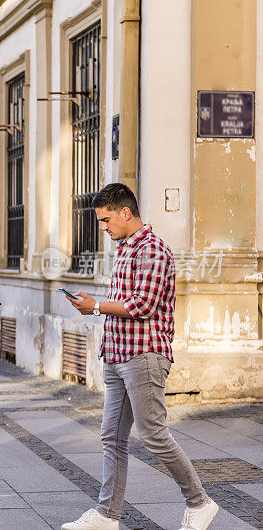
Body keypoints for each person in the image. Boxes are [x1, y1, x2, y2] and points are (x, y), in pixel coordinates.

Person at [62, 183, 218, 530]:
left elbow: (141, 306)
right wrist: (96, 307)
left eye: (105, 220)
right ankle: (106, 516)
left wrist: (98, 306)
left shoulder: (153, 250)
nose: (104, 228)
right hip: (118, 355)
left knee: (154, 435)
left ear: (125, 212)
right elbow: (124, 302)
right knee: (112, 438)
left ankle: (200, 502)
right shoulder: (127, 249)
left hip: (143, 355)